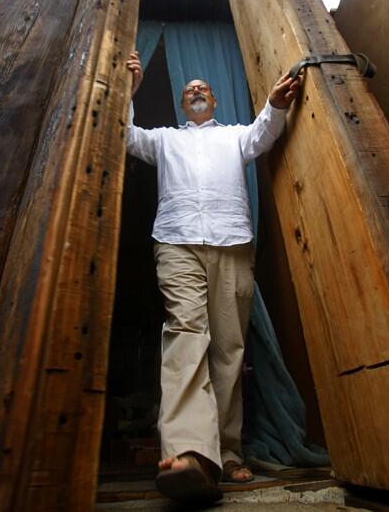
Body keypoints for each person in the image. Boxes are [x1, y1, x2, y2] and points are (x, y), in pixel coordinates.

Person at [126, 51, 300, 503]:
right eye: (189, 91)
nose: (196, 92)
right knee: (186, 333)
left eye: (203, 88)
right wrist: (128, 90)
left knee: (228, 348)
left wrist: (276, 103)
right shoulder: (165, 140)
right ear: (183, 105)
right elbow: (124, 136)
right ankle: (188, 452)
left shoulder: (237, 137)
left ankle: (226, 452)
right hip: (177, 241)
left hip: (231, 242)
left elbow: (265, 133)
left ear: (215, 100)